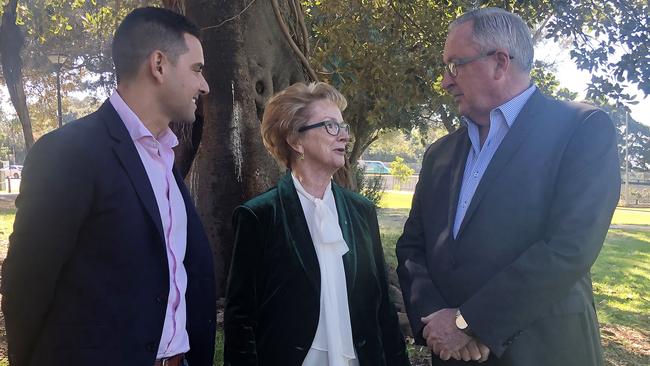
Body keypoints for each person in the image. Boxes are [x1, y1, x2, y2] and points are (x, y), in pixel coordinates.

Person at [396, 7, 620, 366]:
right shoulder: (439, 154)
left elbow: (570, 247)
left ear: (500, 62)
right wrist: (436, 318)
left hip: (542, 351)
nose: (445, 81)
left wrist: (469, 322)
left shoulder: (581, 129)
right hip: (451, 355)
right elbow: (412, 247)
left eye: (455, 65)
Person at [1, 7, 216, 366]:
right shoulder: (68, 152)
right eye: (196, 69)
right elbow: (26, 284)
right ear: (159, 65)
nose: (204, 85)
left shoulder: (166, 157)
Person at [224, 82, 410, 366]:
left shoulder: (362, 211)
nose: (344, 136)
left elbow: (382, 305)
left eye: (343, 126)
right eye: (330, 126)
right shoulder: (260, 216)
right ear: (296, 140)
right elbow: (241, 320)